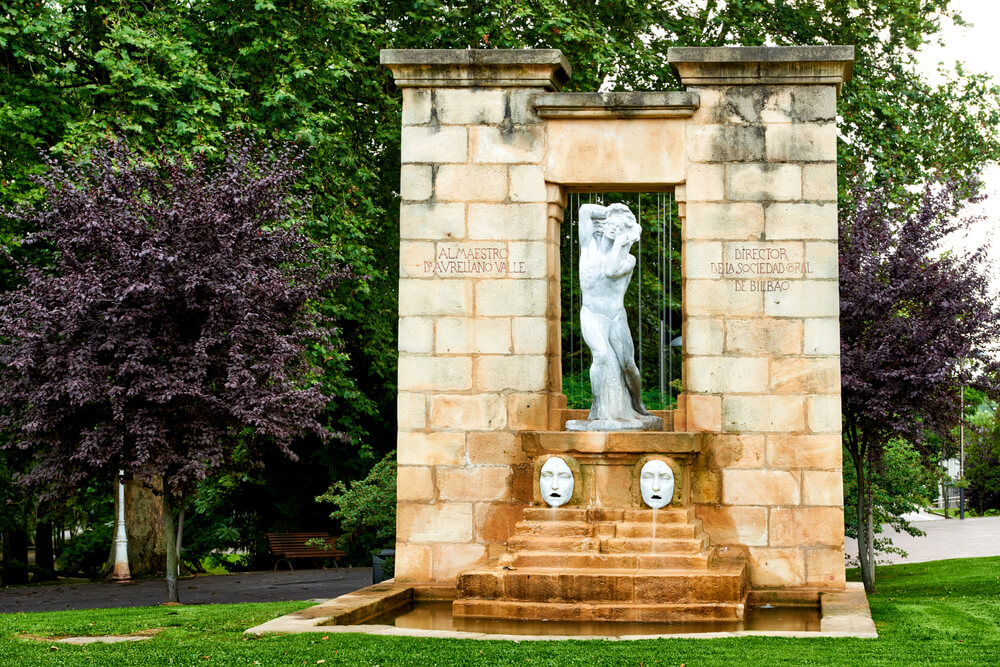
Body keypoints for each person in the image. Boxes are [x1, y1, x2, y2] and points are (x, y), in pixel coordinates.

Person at [573, 202, 654, 428]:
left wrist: (622, 239)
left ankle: (637, 402)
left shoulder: (628, 260)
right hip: (592, 314)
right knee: (600, 355)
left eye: (618, 228)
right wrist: (611, 214)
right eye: (611, 225)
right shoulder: (588, 247)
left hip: (616, 316)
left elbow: (609, 270)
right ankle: (598, 407)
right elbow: (584, 210)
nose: (613, 228)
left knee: (628, 364)